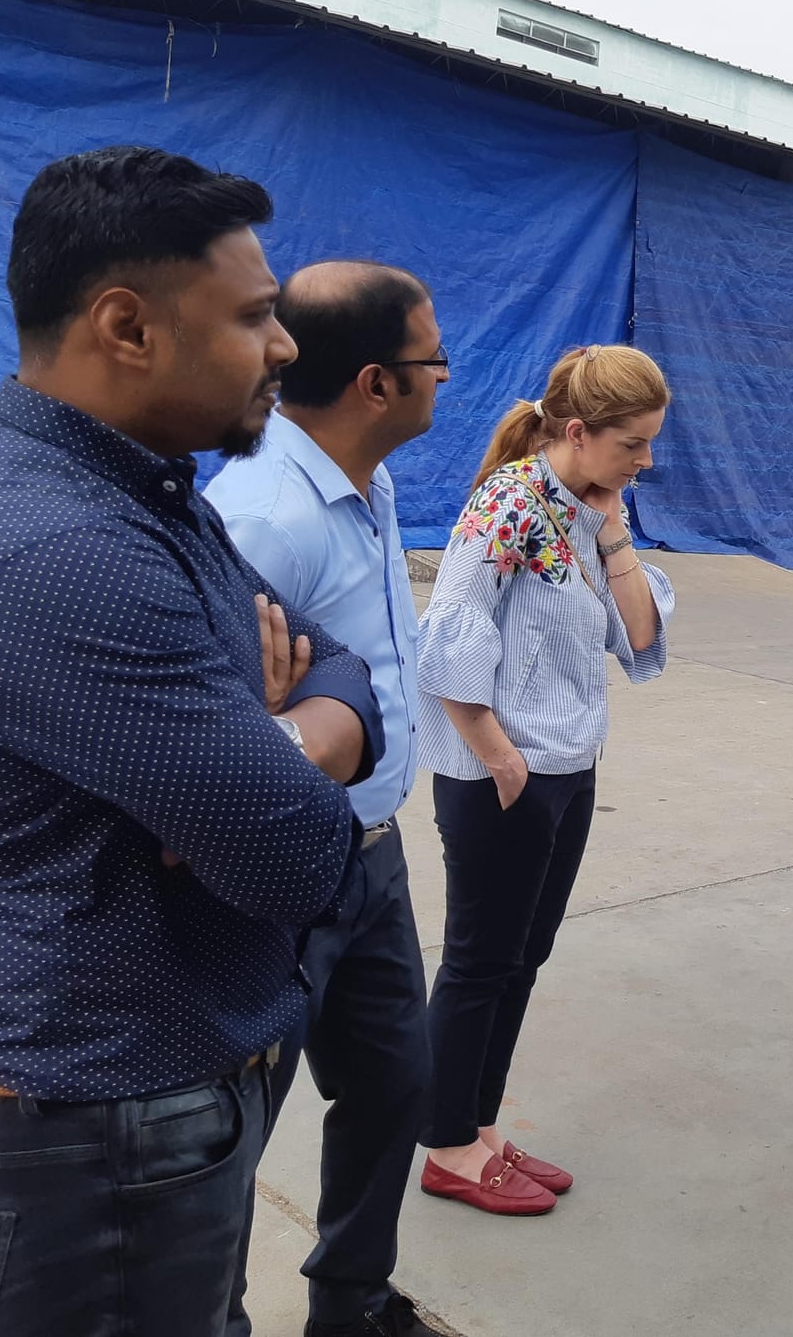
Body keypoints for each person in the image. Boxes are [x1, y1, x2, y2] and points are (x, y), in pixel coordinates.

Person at [0, 146, 383, 1335]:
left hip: (143, 1119)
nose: (284, 347)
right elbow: (298, 860)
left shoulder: (143, 494)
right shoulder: (60, 551)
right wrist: (269, 771)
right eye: (254, 316)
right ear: (126, 326)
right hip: (88, 1145)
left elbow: (343, 669)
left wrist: (269, 743)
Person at [208, 262, 451, 1336]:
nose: (444, 376)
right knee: (231, 1130)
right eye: (433, 359)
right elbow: (220, 738)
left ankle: (350, 1305)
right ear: (375, 383)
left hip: (372, 854)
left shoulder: (364, 480)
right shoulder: (264, 518)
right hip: (284, 878)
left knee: (394, 1084)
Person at [412, 345, 674, 1215]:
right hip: (507, 776)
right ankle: (448, 1146)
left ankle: (478, 1126)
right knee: (481, 963)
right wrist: (499, 756)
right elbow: (450, 626)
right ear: (578, 431)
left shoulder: (584, 511)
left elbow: (640, 638)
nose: (645, 461)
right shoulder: (512, 503)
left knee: (522, 958)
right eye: (632, 444)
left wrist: (615, 531)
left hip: (568, 764)